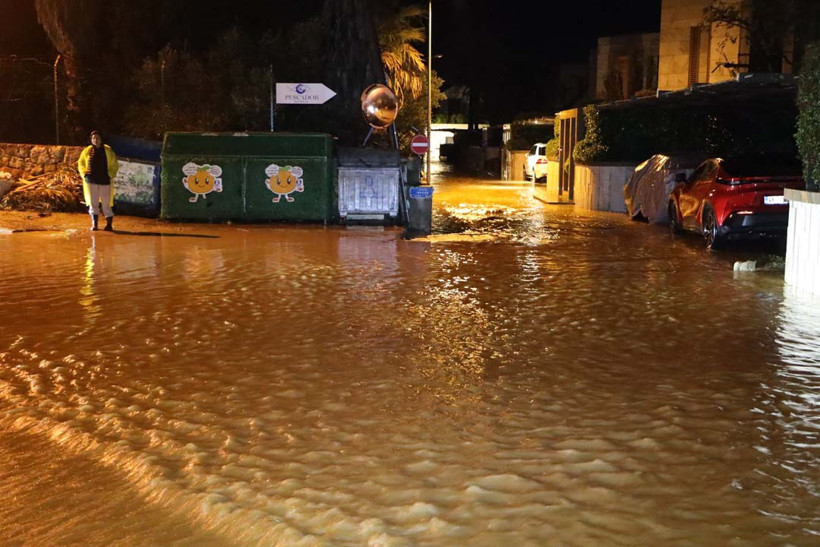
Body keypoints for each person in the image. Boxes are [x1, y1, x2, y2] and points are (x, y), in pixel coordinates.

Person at [77, 130, 118, 231]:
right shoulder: (87, 151)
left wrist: (109, 175)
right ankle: (95, 224)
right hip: (91, 181)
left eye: (97, 138)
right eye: (93, 138)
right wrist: (84, 174)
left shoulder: (108, 151)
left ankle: (109, 224)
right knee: (93, 202)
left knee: (106, 203)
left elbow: (114, 165)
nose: (95, 140)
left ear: (101, 139)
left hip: (104, 181)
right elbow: (81, 163)